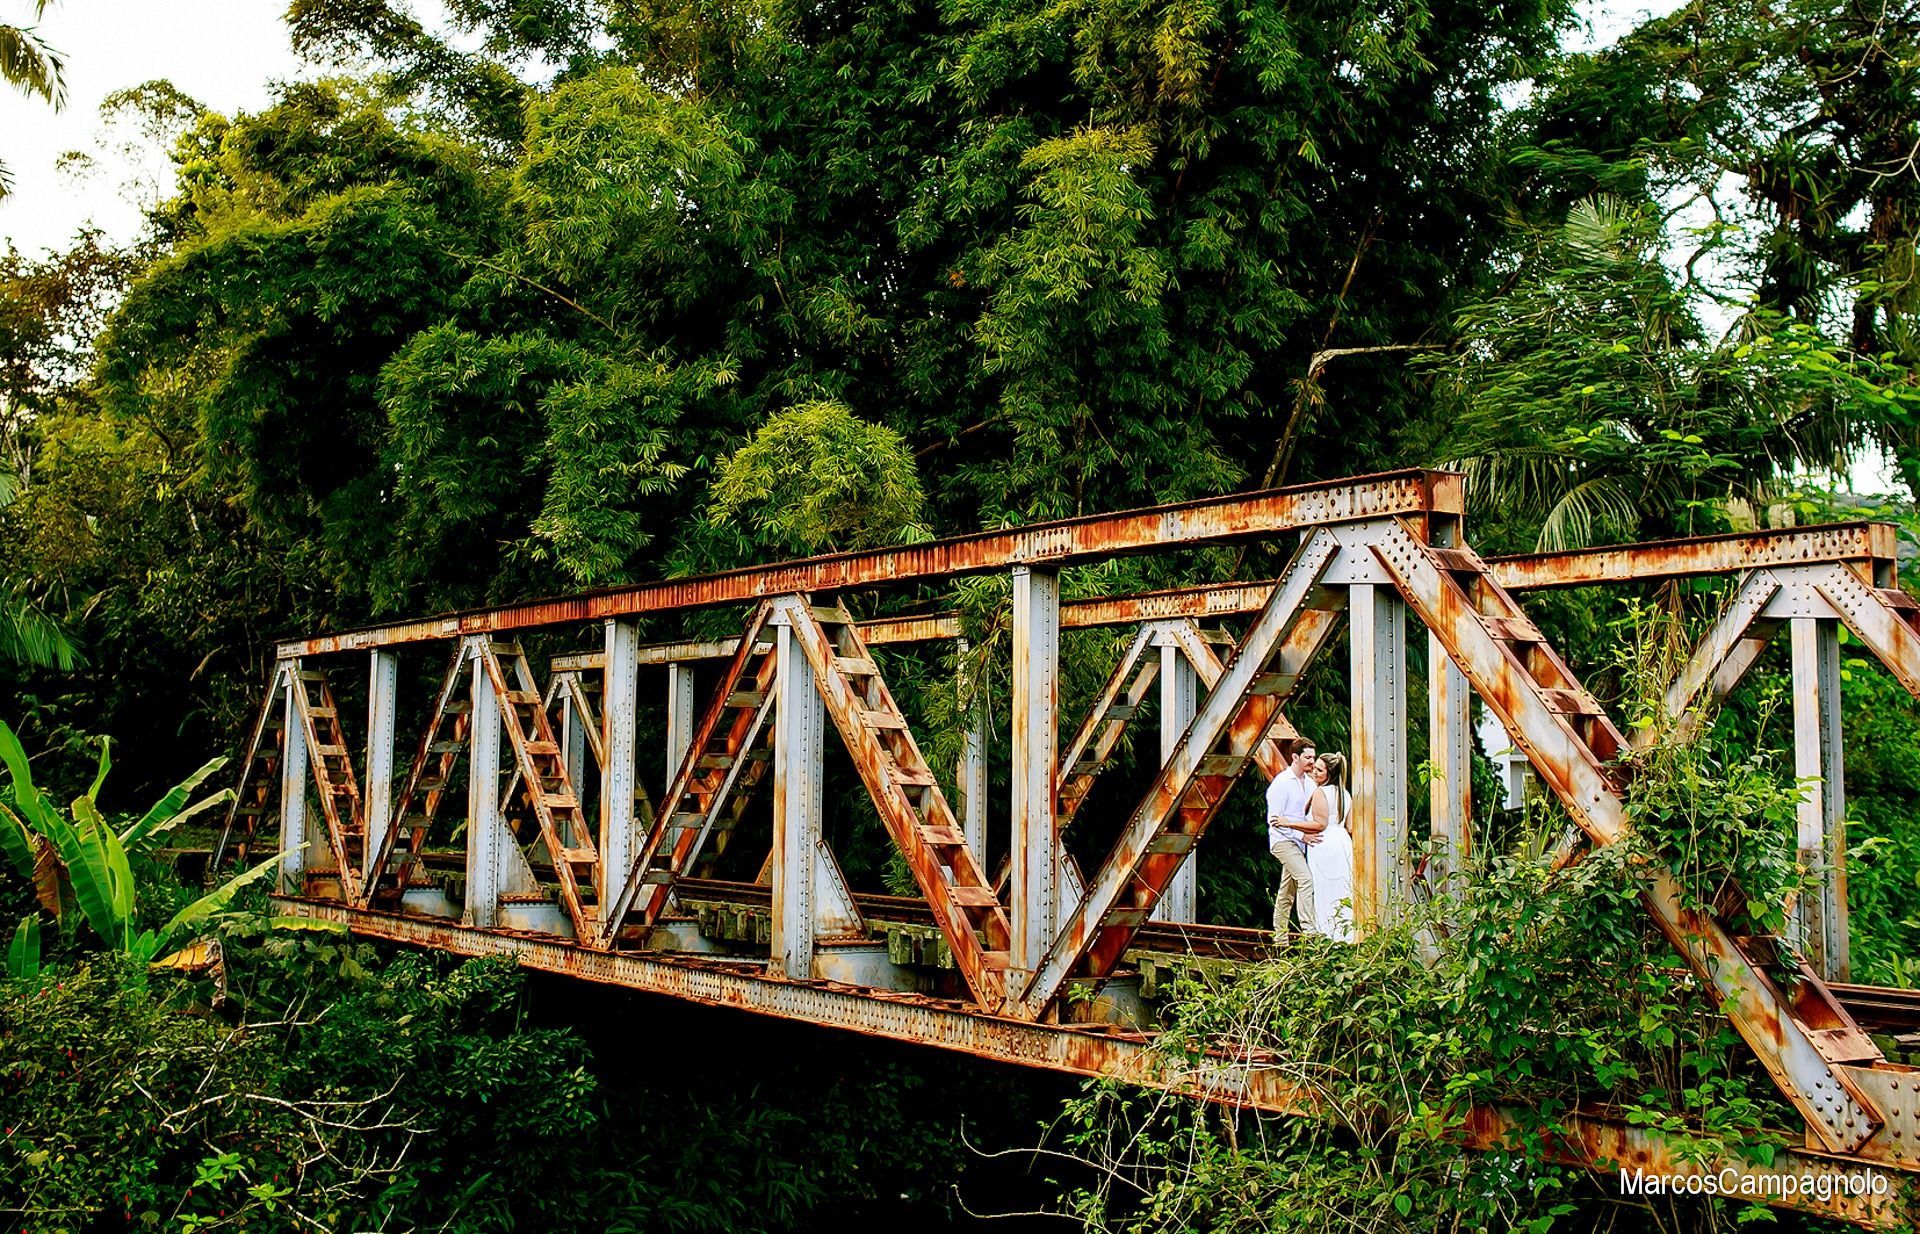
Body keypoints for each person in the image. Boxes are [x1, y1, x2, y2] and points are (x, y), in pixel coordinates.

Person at [1264, 739, 1326, 937]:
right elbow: (1273, 820)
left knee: (1287, 891)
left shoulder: (1310, 783)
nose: (1312, 762)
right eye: (1308, 757)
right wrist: (1301, 834)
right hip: (1283, 841)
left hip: (1300, 843)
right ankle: (1310, 931)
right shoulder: (1281, 783)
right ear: (1295, 757)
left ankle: (1280, 937)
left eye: (1313, 757)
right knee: (1305, 878)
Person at [1308, 753, 1356, 942]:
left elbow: (1320, 824)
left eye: (1319, 769)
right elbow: (1350, 826)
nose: (1314, 771)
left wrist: (1289, 823)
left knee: (1323, 890)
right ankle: (1347, 937)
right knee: (1344, 890)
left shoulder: (1320, 792)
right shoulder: (1345, 793)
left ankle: (1327, 936)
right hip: (1343, 842)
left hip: (1324, 842)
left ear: (1329, 774)